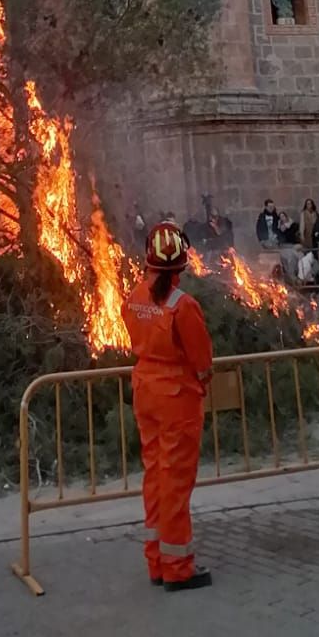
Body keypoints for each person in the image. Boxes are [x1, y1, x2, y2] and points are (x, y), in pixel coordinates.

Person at [122, 223, 213, 592]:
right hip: (177, 401)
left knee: (155, 477)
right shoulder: (183, 307)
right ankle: (178, 568)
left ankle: (156, 560)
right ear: (180, 266)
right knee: (175, 482)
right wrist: (201, 383)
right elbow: (202, 360)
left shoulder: (134, 298)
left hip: (145, 394)